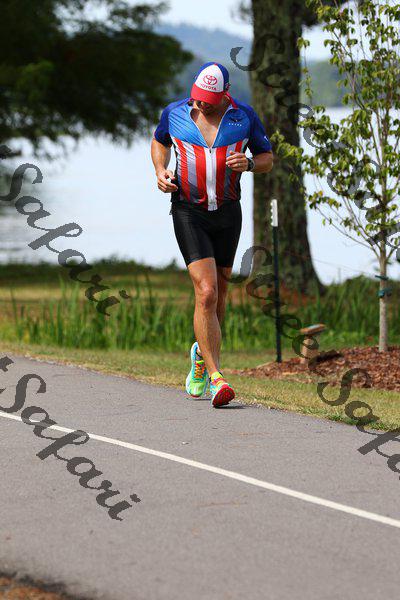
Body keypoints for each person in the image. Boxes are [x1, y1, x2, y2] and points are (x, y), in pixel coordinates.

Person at [151, 62, 273, 407]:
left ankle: (202, 357)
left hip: (228, 213)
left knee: (219, 296)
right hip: (188, 211)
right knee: (205, 292)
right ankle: (218, 378)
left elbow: (267, 157)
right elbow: (159, 142)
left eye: (208, 98)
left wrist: (250, 164)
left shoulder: (243, 117)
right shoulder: (175, 113)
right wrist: (160, 170)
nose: (200, 103)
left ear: (224, 94)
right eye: (197, 96)